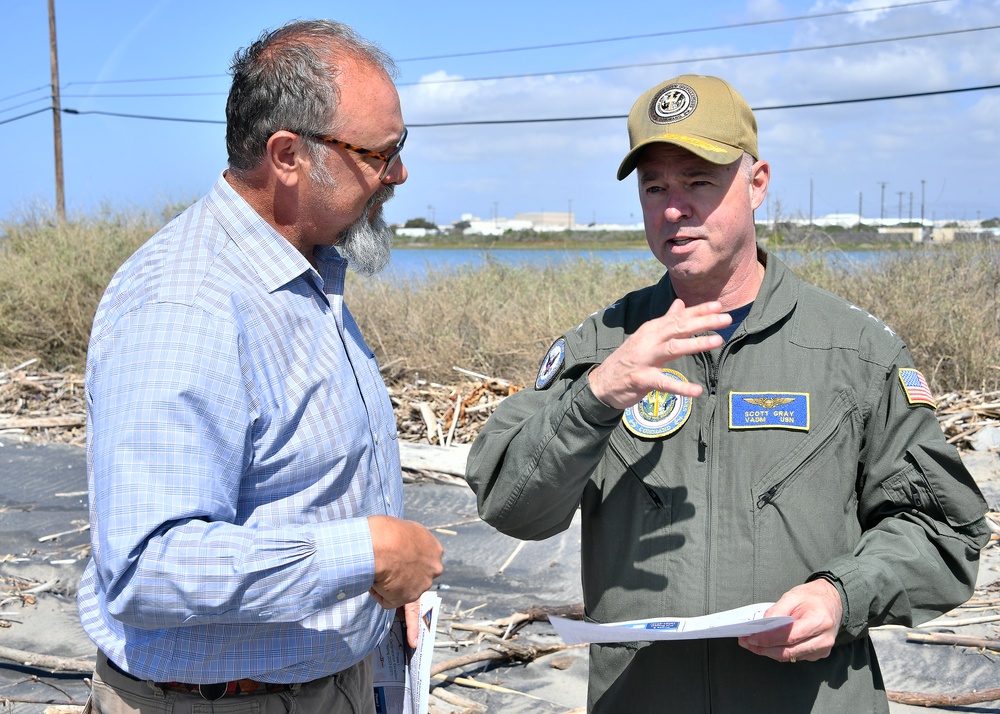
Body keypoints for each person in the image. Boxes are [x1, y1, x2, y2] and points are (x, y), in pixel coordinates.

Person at [465, 74, 989, 713]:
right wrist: (598, 395)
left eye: (699, 181)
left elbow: (943, 525)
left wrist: (842, 594)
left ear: (758, 183)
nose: (673, 207)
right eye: (654, 186)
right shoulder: (600, 346)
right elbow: (511, 507)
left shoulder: (854, 351)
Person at [78, 20, 443, 713]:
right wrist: (364, 558)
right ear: (287, 156)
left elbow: (309, 484)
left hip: (328, 683)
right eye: (379, 152)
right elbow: (147, 568)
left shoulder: (306, 274)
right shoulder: (184, 305)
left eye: (400, 148)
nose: (398, 173)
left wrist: (378, 595)